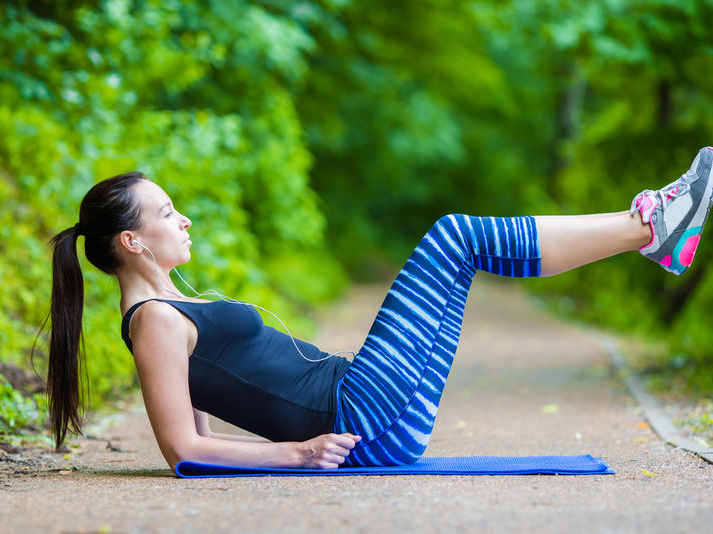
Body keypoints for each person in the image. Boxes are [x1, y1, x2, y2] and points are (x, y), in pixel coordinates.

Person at [46, 147, 713, 470]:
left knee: (462, 249)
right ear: (130, 241)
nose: (183, 218)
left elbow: (205, 437)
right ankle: (650, 228)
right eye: (167, 212)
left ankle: (654, 233)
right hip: (361, 411)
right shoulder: (155, 323)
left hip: (371, 407)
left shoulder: (169, 308)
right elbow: (183, 449)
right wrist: (301, 454)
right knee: (456, 235)